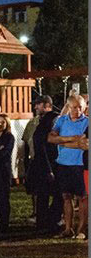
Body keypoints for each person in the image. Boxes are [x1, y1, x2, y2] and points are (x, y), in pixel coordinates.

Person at [48, 94, 89, 239]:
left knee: (82, 197)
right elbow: (50, 138)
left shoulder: (87, 122)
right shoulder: (62, 121)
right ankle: (68, 228)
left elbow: (84, 144)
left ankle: (81, 229)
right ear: (68, 107)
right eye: (74, 107)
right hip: (62, 163)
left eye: (80, 107)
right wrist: (72, 140)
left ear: (84, 107)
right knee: (66, 197)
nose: (77, 110)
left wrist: (61, 141)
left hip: (79, 165)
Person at [29, 96, 61, 233]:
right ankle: (44, 222)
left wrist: (50, 167)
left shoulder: (53, 119)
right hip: (41, 163)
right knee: (43, 195)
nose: (35, 107)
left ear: (47, 105)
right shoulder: (41, 121)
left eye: (38, 104)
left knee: (58, 193)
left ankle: (50, 220)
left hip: (51, 162)